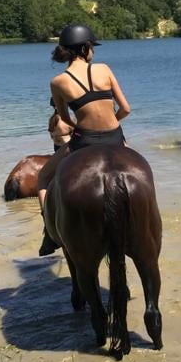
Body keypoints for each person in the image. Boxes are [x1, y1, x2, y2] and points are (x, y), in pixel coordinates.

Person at [36, 23, 132, 255]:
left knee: (42, 176)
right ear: (84, 48)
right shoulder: (105, 69)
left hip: (85, 140)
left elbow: (65, 119)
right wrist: (111, 124)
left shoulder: (57, 82)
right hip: (116, 137)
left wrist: (84, 128)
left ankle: (50, 232)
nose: (93, 51)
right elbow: (126, 109)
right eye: (92, 47)